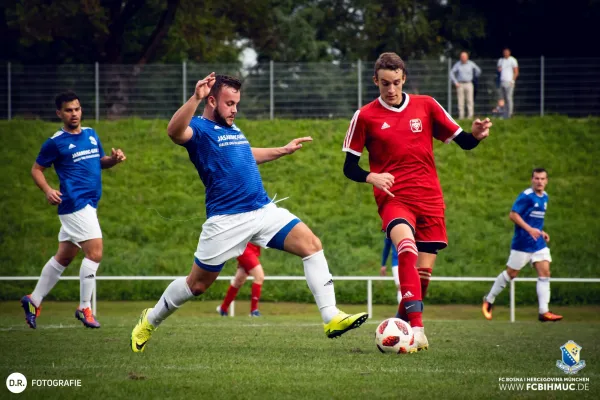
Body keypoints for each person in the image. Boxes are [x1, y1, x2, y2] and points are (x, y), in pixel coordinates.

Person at [130, 74, 367, 352]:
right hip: (226, 220)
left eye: (237, 104)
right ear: (211, 100)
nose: (234, 109)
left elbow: (245, 153)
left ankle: (331, 317)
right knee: (196, 285)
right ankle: (151, 318)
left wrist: (283, 150)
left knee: (312, 245)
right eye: (229, 103)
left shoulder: (232, 130)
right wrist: (193, 98)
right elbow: (174, 132)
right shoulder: (198, 129)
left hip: (262, 210)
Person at [342, 52, 492, 352]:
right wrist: (372, 177)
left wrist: (475, 135)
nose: (391, 89)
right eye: (385, 83)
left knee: (422, 280)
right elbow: (349, 167)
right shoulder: (365, 116)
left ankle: (398, 329)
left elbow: (463, 140)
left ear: (404, 79)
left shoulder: (426, 105)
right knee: (406, 250)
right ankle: (419, 330)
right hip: (394, 199)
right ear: (376, 81)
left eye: (396, 82)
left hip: (430, 199)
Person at [21, 91, 126, 329]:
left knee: (65, 256)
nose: (74, 114)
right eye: (68, 110)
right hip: (75, 203)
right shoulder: (55, 142)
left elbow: (99, 162)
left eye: (77, 109)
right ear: (59, 113)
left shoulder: (90, 134)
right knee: (95, 252)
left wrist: (114, 159)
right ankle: (84, 307)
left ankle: (33, 300)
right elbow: (36, 169)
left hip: (89, 204)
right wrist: (48, 190)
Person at [482, 168, 562, 322]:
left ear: (547, 181)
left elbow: (534, 220)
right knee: (511, 274)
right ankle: (489, 299)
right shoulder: (526, 196)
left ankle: (544, 311)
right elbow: (513, 215)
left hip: (538, 243)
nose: (539, 181)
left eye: (542, 179)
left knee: (545, 272)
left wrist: (540, 231)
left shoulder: (544, 197)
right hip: (523, 243)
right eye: (537, 178)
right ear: (532, 180)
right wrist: (530, 229)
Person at [217, 243, 265, 317]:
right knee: (259, 277)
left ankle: (223, 308)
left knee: (238, 281)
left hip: (252, 248)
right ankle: (254, 311)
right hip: (246, 248)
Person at [449, 51, 482, 119]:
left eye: (464, 56)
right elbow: (451, 73)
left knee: (470, 100)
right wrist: (455, 82)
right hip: (460, 84)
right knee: (460, 101)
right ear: (460, 57)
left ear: (467, 57)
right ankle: (461, 116)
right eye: (462, 56)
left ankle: (470, 116)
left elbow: (478, 70)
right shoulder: (457, 64)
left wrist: (474, 78)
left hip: (469, 83)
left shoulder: (471, 64)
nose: (463, 58)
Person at [497, 48, 519, 118]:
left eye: (507, 52)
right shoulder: (501, 60)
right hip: (502, 81)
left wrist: (512, 80)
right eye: (504, 52)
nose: (505, 53)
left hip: (509, 82)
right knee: (502, 99)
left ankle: (510, 113)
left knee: (509, 98)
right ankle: (504, 114)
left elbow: (516, 71)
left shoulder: (513, 60)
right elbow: (499, 70)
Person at [380, 237, 401, 304]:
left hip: (411, 262)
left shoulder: (413, 229)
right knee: (401, 287)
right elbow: (387, 248)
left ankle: (409, 311)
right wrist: (383, 264)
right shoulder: (390, 230)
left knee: (410, 288)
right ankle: (403, 312)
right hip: (397, 263)